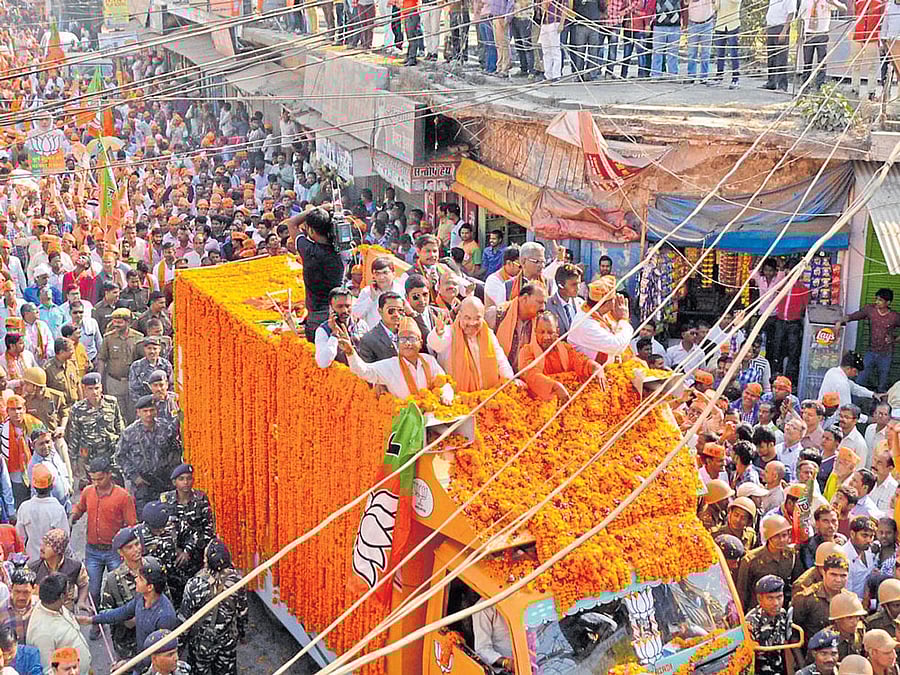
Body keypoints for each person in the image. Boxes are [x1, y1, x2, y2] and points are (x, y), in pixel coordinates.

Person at [69, 455, 137, 632]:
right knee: (93, 591)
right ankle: (96, 623)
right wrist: (73, 516)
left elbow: (132, 526)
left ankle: (121, 624)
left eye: (99, 479)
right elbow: (80, 508)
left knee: (120, 589)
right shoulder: (88, 492)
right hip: (93, 551)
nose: (96, 483)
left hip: (114, 552)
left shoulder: (123, 497)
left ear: (109, 474)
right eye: (93, 479)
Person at [79, 556, 178, 674]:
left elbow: (158, 654)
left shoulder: (165, 617)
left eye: (140, 579)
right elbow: (123, 612)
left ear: (150, 587)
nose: (136, 580)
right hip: (140, 661)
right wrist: (92, 620)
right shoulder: (142, 598)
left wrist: (129, 664)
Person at [343, 317, 454, 402]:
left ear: (420, 343)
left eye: (412, 338)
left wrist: (446, 395)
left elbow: (444, 382)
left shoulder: (429, 360)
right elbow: (363, 371)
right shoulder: (390, 365)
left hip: (433, 413)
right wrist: (350, 352)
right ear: (398, 344)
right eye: (403, 339)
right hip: (405, 417)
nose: (407, 343)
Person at [178, 540, 248, 675]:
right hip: (227, 641)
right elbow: (242, 611)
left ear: (206, 561)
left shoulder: (194, 585)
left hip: (202, 645)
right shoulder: (237, 581)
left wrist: (179, 648)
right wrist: (242, 633)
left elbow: (185, 621)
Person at [427, 296, 516, 392]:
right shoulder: (449, 333)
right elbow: (435, 344)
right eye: (467, 318)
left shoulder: (488, 334)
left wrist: (509, 380)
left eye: (477, 318)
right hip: (458, 396)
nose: (472, 323)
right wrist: (438, 333)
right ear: (460, 315)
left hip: (487, 394)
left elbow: (501, 361)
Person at [159, 464, 215, 611]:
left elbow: (208, 529)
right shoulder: (165, 500)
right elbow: (161, 528)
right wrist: (176, 549)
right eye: (181, 479)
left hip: (195, 557)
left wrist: (188, 551)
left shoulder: (201, 499)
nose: (186, 482)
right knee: (174, 597)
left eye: (189, 478)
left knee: (197, 597)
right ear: (174, 482)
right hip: (173, 558)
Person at [116, 396, 183, 515]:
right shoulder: (130, 433)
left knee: (168, 515)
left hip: (164, 482)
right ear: (138, 412)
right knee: (145, 517)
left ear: (156, 410)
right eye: (145, 411)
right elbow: (120, 457)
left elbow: (175, 448)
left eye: (151, 410)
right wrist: (134, 476)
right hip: (143, 484)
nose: (148, 414)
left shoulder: (164, 427)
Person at [285, 208, 344, 342]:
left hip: (317, 317)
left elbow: (292, 223)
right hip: (338, 313)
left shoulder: (309, 251)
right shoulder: (340, 251)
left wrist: (316, 209)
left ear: (311, 231)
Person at [517, 311, 602, 402]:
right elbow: (531, 376)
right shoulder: (527, 351)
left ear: (557, 332)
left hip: (567, 398)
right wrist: (554, 387)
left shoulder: (565, 348)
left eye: (550, 333)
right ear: (535, 332)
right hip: (537, 402)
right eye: (542, 332)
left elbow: (580, 360)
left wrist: (595, 367)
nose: (546, 337)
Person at [65, 373, 125, 487]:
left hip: (111, 454)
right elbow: (74, 436)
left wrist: (122, 449)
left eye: (97, 388)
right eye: (90, 389)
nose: (94, 392)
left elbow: (119, 426)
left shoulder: (111, 402)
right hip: (90, 457)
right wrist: (73, 461)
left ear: (101, 387)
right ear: (84, 390)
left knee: (117, 487)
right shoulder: (77, 409)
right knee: (94, 488)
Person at [26, 574, 91, 674]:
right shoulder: (42, 633)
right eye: (68, 591)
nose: (70, 594)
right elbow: (48, 670)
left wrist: (82, 620)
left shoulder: (53, 606)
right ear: (62, 596)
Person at [736, 514, 802, 610]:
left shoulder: (792, 555)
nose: (781, 540)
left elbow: (797, 583)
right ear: (768, 537)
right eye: (776, 536)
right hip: (757, 611)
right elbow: (742, 593)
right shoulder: (750, 560)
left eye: (784, 535)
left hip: (781, 609)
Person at [568, 276, 634, 365]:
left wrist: (618, 320)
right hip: (591, 371)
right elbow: (616, 346)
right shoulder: (586, 324)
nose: (616, 301)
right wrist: (623, 319)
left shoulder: (601, 313)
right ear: (606, 304)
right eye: (614, 298)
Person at [485, 283, 548, 371]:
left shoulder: (539, 323)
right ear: (525, 298)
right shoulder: (496, 315)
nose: (543, 308)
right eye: (539, 302)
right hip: (496, 373)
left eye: (545, 303)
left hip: (525, 375)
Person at [101, 526, 142, 659]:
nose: (136, 549)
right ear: (120, 552)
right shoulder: (113, 580)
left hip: (154, 639)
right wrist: (125, 620)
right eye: (129, 547)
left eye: (137, 544)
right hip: (129, 647)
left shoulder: (152, 566)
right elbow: (105, 613)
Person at [16, 463, 68, 562]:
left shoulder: (24, 508)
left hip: (32, 561)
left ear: (34, 486)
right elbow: (64, 539)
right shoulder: (57, 509)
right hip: (52, 562)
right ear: (52, 485)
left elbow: (20, 537)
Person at [28, 529, 88, 614]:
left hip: (67, 613)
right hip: (41, 612)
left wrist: (81, 601)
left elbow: (84, 584)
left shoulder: (75, 567)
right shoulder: (32, 568)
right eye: (43, 543)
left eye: (47, 545)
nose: (42, 548)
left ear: (58, 550)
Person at [97, 309, 143, 422]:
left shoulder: (138, 338)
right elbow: (102, 359)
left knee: (133, 414)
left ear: (128, 322)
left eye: (119, 322)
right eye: (114, 322)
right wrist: (99, 379)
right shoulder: (108, 338)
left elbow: (142, 360)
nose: (116, 325)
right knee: (118, 414)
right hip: (114, 382)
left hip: (132, 382)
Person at [746, 574, 791, 675]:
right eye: (770, 598)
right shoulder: (751, 622)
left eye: (779, 597)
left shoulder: (782, 614)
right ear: (759, 599)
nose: (776, 603)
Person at [351, 257, 406, 329]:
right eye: (377, 274)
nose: (381, 277)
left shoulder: (401, 290)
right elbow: (355, 315)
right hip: (374, 333)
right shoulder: (367, 292)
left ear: (393, 274)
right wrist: (371, 298)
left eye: (385, 273)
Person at [128, 337, 174, 415]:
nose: (152, 351)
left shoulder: (166, 365)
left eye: (155, 348)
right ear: (144, 349)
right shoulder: (136, 366)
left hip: (165, 407)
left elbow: (171, 386)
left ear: (159, 349)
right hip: (146, 408)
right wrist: (147, 402)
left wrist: (165, 400)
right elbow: (133, 390)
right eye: (149, 348)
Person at [356, 292, 404, 364]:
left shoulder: (408, 332)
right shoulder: (369, 339)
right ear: (380, 311)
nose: (396, 314)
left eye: (400, 310)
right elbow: (367, 368)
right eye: (391, 310)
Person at [841, 515, 877, 600]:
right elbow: (846, 593)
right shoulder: (843, 556)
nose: (869, 540)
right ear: (852, 534)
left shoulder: (867, 549)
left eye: (871, 536)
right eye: (864, 536)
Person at [762, 0, 794, 90]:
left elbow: (791, 13)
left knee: (781, 57)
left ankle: (782, 85)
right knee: (771, 57)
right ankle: (771, 82)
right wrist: (767, 27)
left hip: (781, 27)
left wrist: (784, 30)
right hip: (771, 27)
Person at [546, 264, 582, 338]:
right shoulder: (548, 306)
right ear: (560, 285)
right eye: (574, 284)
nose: (578, 288)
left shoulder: (581, 303)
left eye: (579, 283)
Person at [829, 592, 868, 659]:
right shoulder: (827, 639)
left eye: (857, 617)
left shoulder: (860, 631)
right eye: (850, 618)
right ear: (837, 619)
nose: (855, 622)